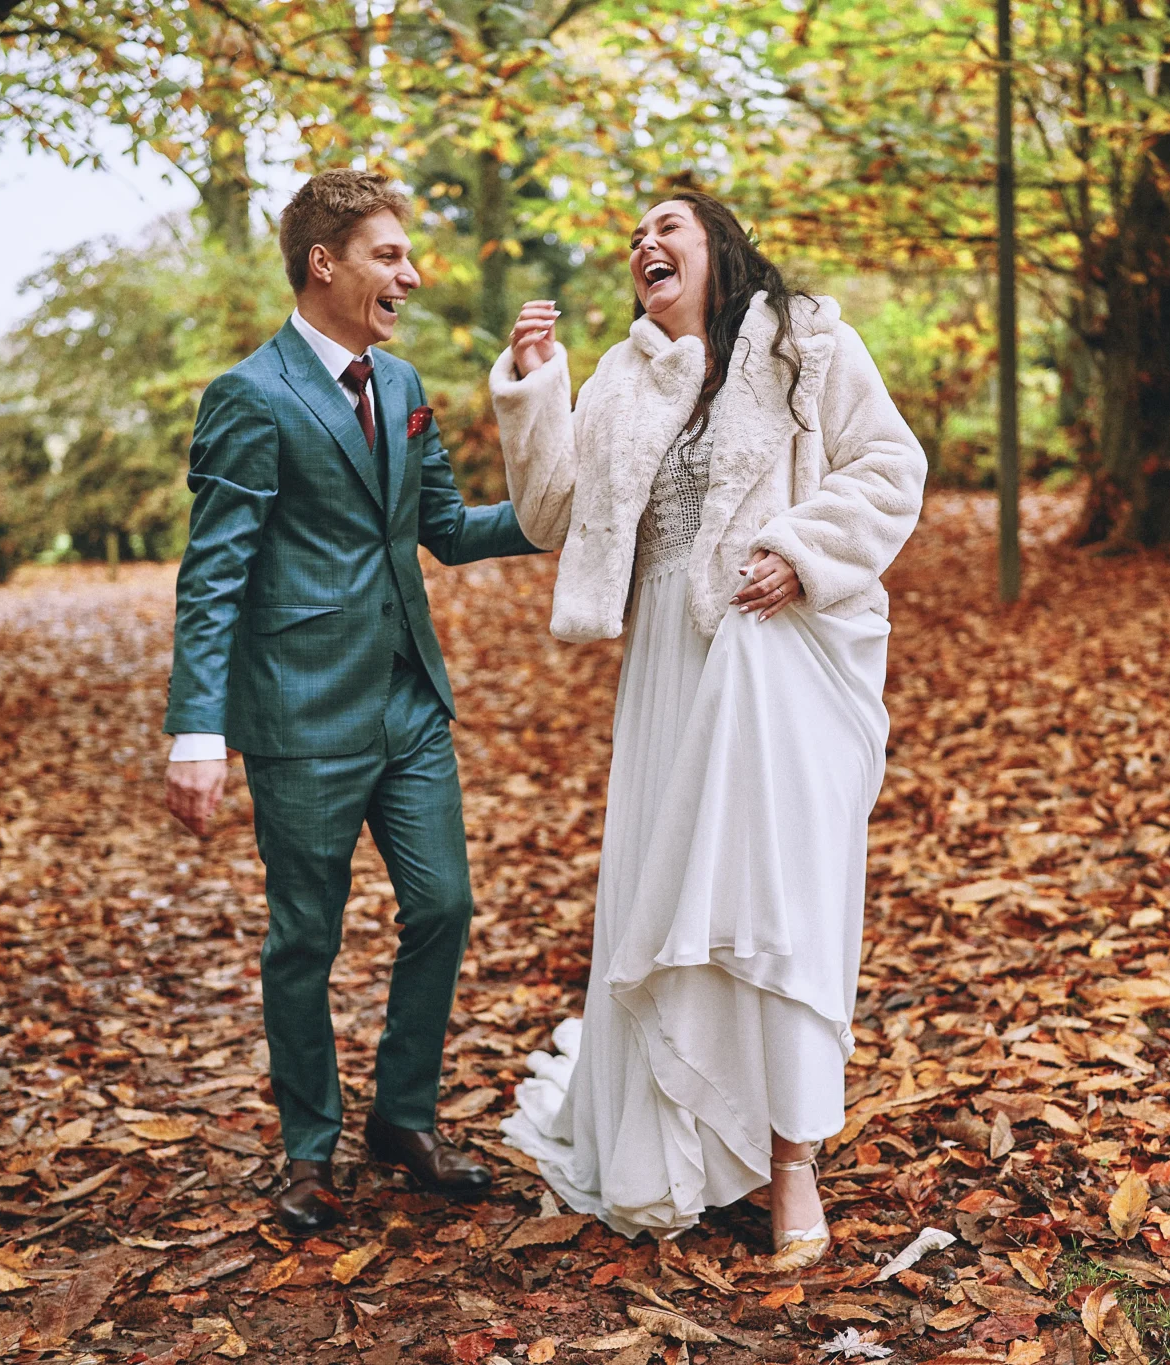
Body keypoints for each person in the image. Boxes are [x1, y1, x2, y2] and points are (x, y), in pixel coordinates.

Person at [488, 191, 926, 1267]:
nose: (644, 243)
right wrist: (535, 388)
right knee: (667, 893)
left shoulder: (805, 342)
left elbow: (887, 467)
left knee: (773, 899)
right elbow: (551, 511)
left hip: (777, 656)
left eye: (666, 226)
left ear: (718, 249)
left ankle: (788, 1165)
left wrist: (802, 547)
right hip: (668, 676)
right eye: (633, 236)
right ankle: (674, 1139)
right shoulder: (623, 379)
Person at [162, 168, 544, 1235]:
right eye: (388, 255)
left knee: (443, 907)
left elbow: (445, 528)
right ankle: (307, 1145)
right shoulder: (249, 397)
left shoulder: (405, 381)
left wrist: (564, 511)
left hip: (407, 705)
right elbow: (214, 573)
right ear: (322, 263)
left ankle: (403, 1118)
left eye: (407, 257)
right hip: (301, 718)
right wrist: (199, 729)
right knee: (304, 939)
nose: (409, 276)